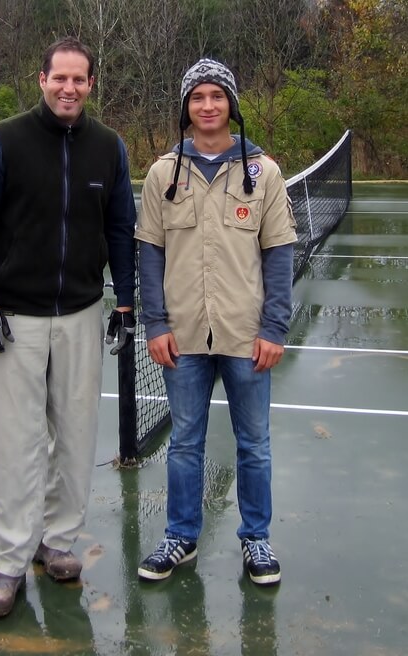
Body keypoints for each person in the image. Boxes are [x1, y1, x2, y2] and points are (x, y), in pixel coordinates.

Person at [0, 36, 136, 619]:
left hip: (83, 315)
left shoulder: (109, 149)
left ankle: (56, 542)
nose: (68, 88)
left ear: (91, 84)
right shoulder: (1, 142)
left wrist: (126, 303)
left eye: (79, 79)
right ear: (41, 80)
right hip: (13, 320)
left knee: (77, 436)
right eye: (59, 78)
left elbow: (120, 230)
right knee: (10, 444)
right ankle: (8, 562)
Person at [135, 58, 297, 586]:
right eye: (198, 97)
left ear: (231, 104)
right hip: (181, 337)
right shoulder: (162, 173)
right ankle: (181, 537)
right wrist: (154, 324)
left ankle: (257, 541)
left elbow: (278, 255)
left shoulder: (262, 172)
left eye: (217, 96)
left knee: (254, 444)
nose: (208, 106)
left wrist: (274, 329)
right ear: (186, 106)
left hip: (247, 337)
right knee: (184, 443)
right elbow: (150, 255)